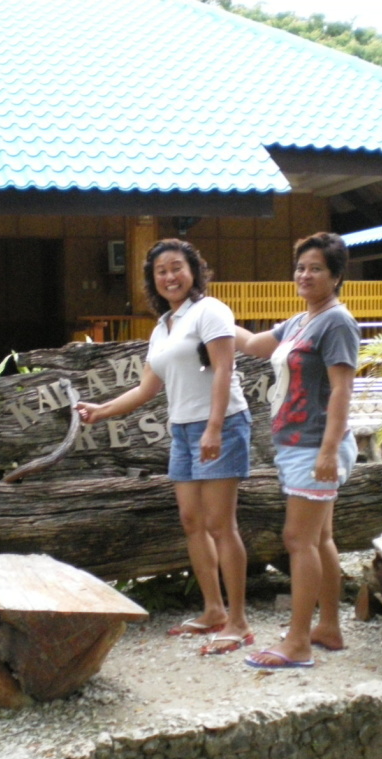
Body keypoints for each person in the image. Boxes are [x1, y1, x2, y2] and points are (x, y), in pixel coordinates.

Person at [75, 238, 254, 656]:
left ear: (193, 270)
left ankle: (239, 621)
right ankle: (213, 610)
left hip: (222, 424)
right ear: (153, 281)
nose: (169, 277)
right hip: (183, 430)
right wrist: (100, 411)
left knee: (220, 525)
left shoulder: (210, 311)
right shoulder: (161, 328)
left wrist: (213, 428)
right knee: (192, 522)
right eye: (161, 272)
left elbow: (225, 368)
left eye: (177, 268)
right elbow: (145, 389)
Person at [234, 232, 359, 669]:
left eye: (316, 268)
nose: (305, 275)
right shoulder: (300, 321)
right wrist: (207, 314)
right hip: (296, 444)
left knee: (298, 539)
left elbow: (343, 389)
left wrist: (328, 452)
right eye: (300, 267)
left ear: (336, 275)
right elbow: (250, 345)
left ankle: (298, 643)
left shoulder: (337, 322)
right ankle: (329, 628)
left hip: (315, 446)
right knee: (321, 538)